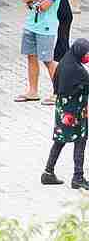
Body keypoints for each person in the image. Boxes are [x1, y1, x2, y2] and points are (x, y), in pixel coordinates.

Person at [16, 0, 64, 103]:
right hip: (31, 24)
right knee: (31, 56)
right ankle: (33, 91)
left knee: (48, 59)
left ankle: (59, 92)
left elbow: (45, 6)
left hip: (46, 26)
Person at [42, 39, 89, 190]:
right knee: (81, 140)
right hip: (76, 110)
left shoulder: (64, 63)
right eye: (86, 53)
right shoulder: (78, 71)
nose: (87, 56)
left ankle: (48, 172)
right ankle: (78, 177)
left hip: (63, 109)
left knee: (60, 139)